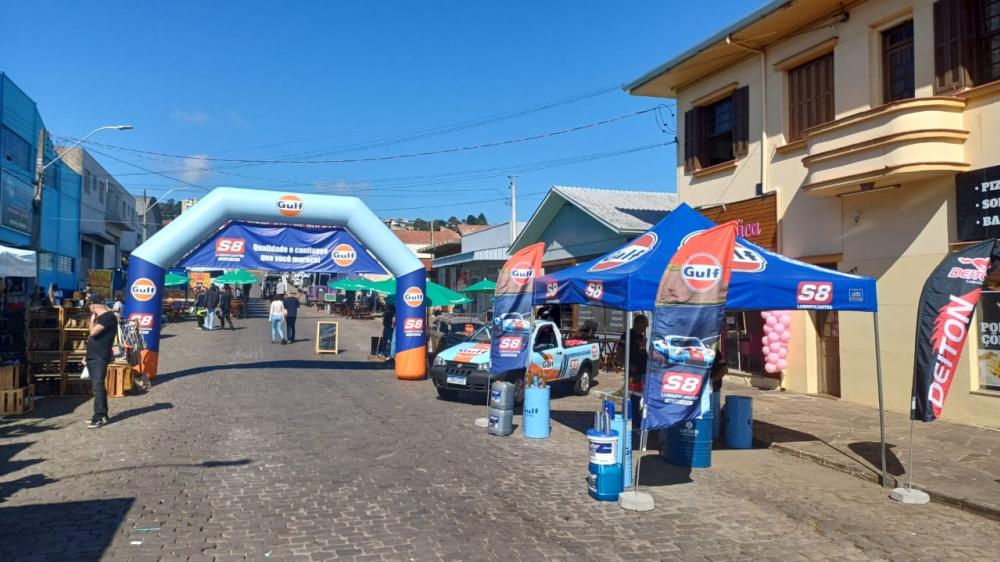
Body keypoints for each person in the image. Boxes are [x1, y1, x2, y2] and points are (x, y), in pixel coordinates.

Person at [84, 297, 118, 428]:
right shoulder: (104, 317)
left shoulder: (108, 317)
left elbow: (93, 332)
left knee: (97, 386)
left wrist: (92, 321)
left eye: (90, 307)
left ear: (93, 306)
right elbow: (93, 338)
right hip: (94, 355)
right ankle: (103, 414)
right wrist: (86, 355)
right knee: (98, 386)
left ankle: (98, 417)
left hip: (100, 356)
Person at [618, 313, 649, 387]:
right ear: (638, 323)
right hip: (632, 369)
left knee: (639, 390)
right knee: (632, 389)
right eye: (645, 324)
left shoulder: (641, 336)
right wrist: (627, 365)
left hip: (642, 368)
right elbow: (620, 349)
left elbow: (641, 350)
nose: (646, 327)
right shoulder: (627, 335)